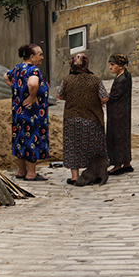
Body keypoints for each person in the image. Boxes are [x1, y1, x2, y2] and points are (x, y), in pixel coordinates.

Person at [56, 53, 108, 185]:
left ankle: (74, 177)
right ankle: (94, 173)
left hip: (72, 119)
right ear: (87, 64)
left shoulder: (67, 80)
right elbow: (104, 98)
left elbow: (59, 95)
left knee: (73, 147)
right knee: (94, 147)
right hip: (92, 119)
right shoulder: (95, 80)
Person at [4, 44, 49, 181]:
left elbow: (5, 76)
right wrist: (32, 96)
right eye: (39, 54)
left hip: (18, 112)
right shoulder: (33, 70)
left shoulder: (18, 68)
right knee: (32, 139)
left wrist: (16, 88)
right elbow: (33, 84)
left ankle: (21, 171)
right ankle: (31, 173)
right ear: (31, 56)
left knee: (20, 138)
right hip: (32, 113)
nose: (41, 57)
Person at [106, 53, 133, 175]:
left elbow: (113, 96)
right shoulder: (124, 76)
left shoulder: (122, 79)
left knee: (117, 137)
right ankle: (126, 162)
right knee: (123, 137)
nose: (110, 67)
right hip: (122, 112)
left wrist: (103, 99)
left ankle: (118, 164)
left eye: (113, 65)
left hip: (118, 113)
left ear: (120, 66)